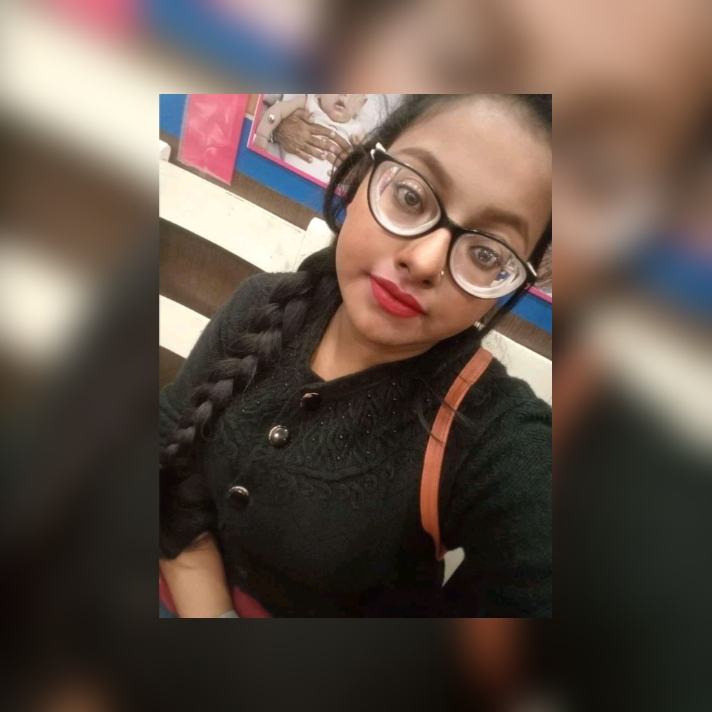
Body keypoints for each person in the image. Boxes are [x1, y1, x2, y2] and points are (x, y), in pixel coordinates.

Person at [159, 94, 552, 618]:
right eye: (411, 196)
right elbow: (166, 442)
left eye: (486, 253)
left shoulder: (490, 435)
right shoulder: (260, 304)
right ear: (362, 174)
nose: (424, 261)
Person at [254, 94, 369, 182]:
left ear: (361, 104)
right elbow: (278, 109)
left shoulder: (357, 129)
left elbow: (368, 160)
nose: (344, 94)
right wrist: (262, 135)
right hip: (282, 173)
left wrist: (357, 167)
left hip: (321, 193)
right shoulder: (308, 102)